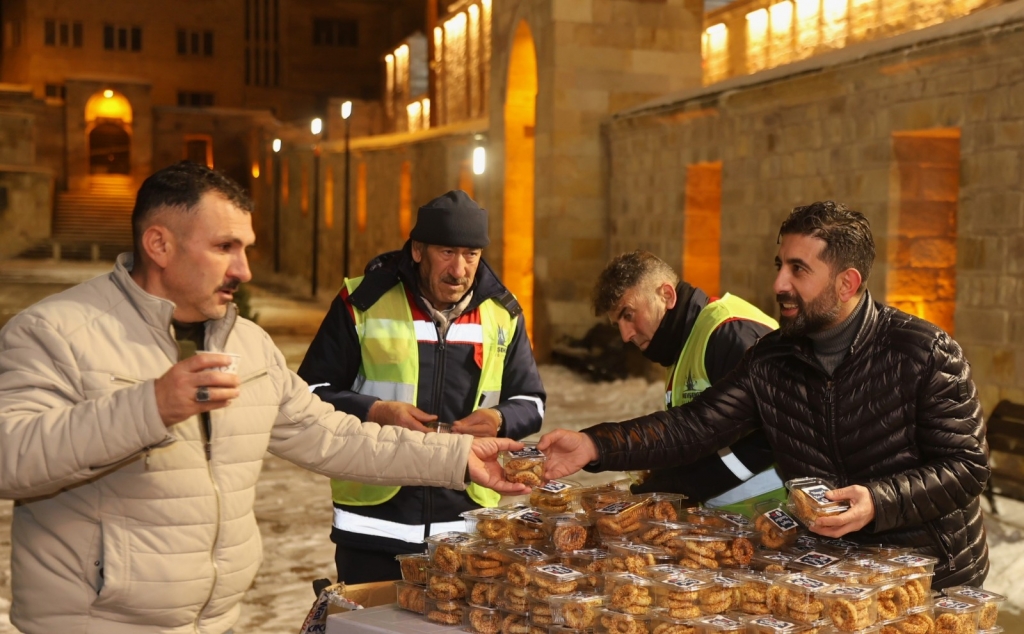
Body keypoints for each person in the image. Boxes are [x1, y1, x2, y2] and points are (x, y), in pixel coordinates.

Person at [0, 162, 530, 634]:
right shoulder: (55, 332)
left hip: (214, 621)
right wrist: (151, 406)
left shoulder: (247, 344)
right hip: (95, 622)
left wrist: (457, 457)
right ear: (158, 244)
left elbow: (331, 435)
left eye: (245, 249)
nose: (244, 270)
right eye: (224, 247)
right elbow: (10, 458)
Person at [539, 201, 989, 589]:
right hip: (833, 572)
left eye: (799, 269)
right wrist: (596, 444)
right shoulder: (771, 360)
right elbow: (695, 426)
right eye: (780, 266)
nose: (779, 284)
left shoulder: (923, 351)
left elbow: (967, 466)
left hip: (930, 577)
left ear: (847, 283)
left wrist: (879, 501)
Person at [298, 189, 545, 583]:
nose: (459, 270)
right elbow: (309, 393)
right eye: (446, 253)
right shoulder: (362, 302)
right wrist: (376, 411)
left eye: (471, 255)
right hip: (373, 527)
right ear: (417, 250)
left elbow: (532, 401)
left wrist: (500, 418)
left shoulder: (503, 313)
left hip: (466, 531)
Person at [593, 251, 781, 515]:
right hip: (730, 516)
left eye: (629, 315)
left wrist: (680, 485)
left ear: (667, 295)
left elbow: (769, 436)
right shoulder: (683, 343)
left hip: (769, 512)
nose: (625, 335)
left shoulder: (728, 332)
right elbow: (694, 431)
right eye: (617, 325)